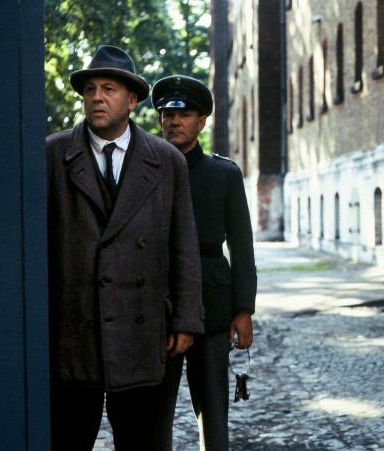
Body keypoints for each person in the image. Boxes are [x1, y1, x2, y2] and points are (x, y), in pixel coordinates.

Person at [46, 45, 205, 450]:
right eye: (91, 89)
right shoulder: (52, 155)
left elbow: (183, 245)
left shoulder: (166, 161)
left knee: (140, 441)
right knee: (67, 440)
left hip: (141, 332)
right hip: (73, 333)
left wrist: (186, 320)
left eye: (109, 89)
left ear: (132, 100)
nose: (97, 97)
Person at [151, 74, 257, 451]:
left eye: (184, 115)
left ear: (201, 122)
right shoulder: (147, 171)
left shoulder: (223, 174)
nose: (174, 122)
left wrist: (243, 310)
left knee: (213, 413)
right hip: (159, 306)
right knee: (153, 416)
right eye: (167, 114)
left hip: (212, 306)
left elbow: (242, 247)